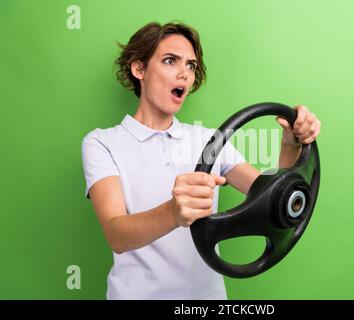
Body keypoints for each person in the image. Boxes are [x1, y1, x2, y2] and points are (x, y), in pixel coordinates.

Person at [81, 21, 321, 300]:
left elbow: (271, 197)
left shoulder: (209, 141)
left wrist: (291, 143)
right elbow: (117, 234)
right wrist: (174, 212)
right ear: (139, 69)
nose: (184, 73)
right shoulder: (102, 143)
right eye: (170, 61)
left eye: (191, 66)